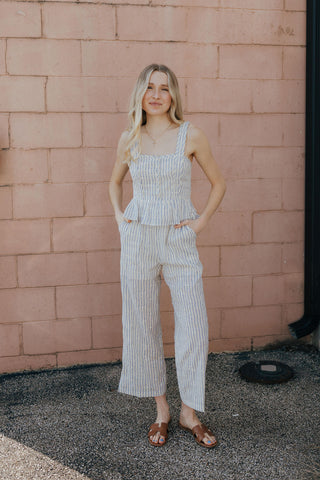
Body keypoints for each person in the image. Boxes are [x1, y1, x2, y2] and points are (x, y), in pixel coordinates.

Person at [109, 64, 226, 448]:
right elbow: (114, 182)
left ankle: (189, 411)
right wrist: (120, 218)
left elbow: (218, 182)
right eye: (149, 88)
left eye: (164, 88)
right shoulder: (130, 136)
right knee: (142, 324)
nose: (156, 95)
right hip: (138, 237)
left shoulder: (190, 134)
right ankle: (162, 410)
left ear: (173, 95)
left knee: (193, 323)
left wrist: (199, 223)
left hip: (179, 238)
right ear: (140, 94)